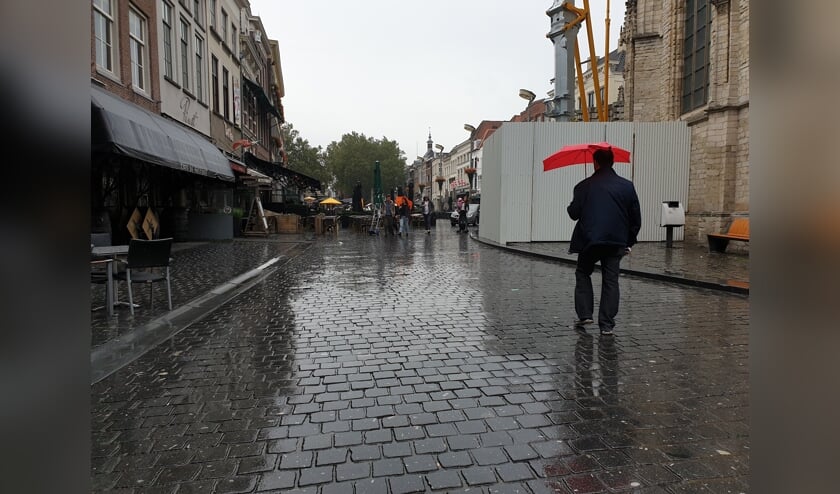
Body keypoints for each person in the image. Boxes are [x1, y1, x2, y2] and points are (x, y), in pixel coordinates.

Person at [567, 147, 641, 336]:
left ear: (595, 162)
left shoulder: (584, 186)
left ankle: (585, 314)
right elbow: (635, 218)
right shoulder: (627, 186)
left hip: (590, 240)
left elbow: (573, 214)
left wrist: (576, 200)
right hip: (616, 241)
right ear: (613, 162)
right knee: (611, 281)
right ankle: (607, 324)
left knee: (583, 273)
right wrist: (629, 242)